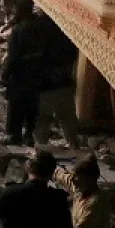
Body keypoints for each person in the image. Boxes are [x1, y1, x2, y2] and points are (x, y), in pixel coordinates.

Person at [1, 0, 48, 145]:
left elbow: (13, 57)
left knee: (16, 106)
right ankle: (29, 134)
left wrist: (4, 75)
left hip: (20, 73)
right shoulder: (41, 25)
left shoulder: (19, 30)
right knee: (31, 105)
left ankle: (14, 135)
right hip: (37, 71)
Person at [34, 14, 81, 148]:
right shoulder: (68, 36)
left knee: (41, 120)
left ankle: (40, 151)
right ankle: (74, 146)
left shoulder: (39, 39)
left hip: (44, 85)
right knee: (67, 118)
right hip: (64, 83)